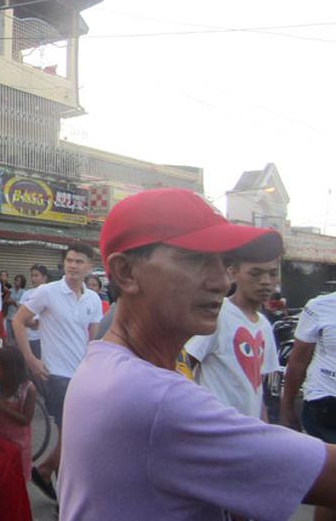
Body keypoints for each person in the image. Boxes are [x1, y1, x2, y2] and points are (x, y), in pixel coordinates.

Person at [58, 187, 336, 520]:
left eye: (225, 262)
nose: (222, 281)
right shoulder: (155, 398)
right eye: (196, 258)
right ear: (125, 273)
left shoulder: (103, 362)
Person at [10, 243, 102, 500]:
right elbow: (18, 321)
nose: (73, 265)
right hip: (56, 375)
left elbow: (93, 338)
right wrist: (31, 359)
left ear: (90, 267)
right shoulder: (47, 292)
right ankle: (66, 498)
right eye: (70, 260)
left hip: (82, 375)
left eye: (79, 261)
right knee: (75, 439)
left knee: (75, 438)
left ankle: (46, 470)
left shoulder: (93, 299)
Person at [186, 253, 280, 419]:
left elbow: (258, 389)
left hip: (247, 432)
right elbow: (185, 364)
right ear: (233, 273)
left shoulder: (264, 325)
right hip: (215, 429)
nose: (266, 281)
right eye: (255, 273)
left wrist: (263, 429)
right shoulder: (219, 315)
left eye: (272, 274)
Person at [281, 290, 336, 521]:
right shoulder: (320, 306)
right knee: (332, 483)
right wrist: (287, 407)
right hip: (325, 401)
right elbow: (298, 360)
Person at [0, 346, 37, 484]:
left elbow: (26, 420)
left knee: (15, 479)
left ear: (10, 371)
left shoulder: (28, 389)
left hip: (17, 444)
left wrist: (4, 408)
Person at [4, 275, 27, 346]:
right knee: (9, 335)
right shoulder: (11, 290)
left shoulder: (24, 292)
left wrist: (13, 302)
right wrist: (13, 302)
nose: (15, 282)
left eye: (18, 280)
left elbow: (22, 304)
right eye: (15, 280)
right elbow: (5, 300)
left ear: (21, 282)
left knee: (17, 336)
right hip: (9, 316)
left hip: (18, 318)